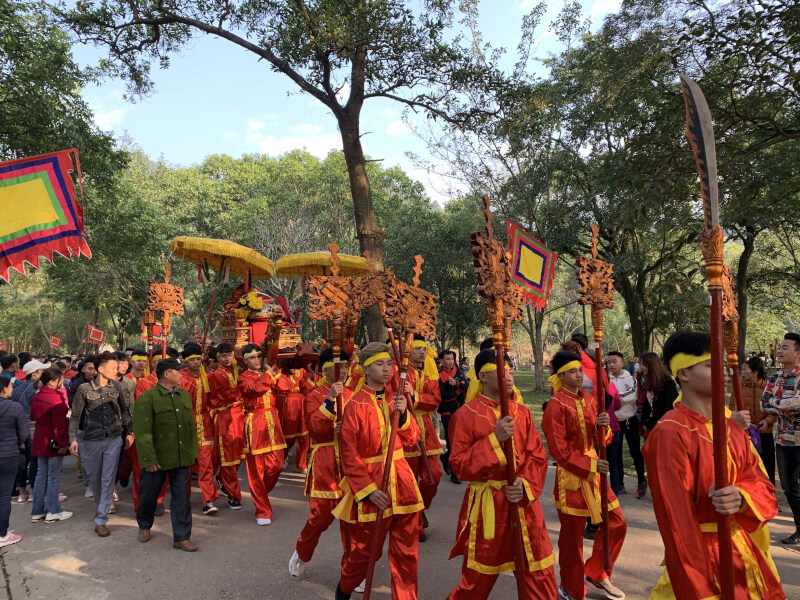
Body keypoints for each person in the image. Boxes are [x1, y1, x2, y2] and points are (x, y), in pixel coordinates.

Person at [644, 332, 785, 599]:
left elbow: (763, 487)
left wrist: (742, 498)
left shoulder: (730, 427)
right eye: (711, 365)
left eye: (723, 364)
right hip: (700, 562)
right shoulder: (670, 433)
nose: (724, 372)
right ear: (683, 374)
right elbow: (677, 523)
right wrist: (701, 590)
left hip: (743, 554)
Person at [445, 350, 556, 599]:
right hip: (489, 505)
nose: (508, 375)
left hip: (524, 502)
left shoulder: (522, 413)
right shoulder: (466, 415)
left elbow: (537, 456)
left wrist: (525, 484)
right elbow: (459, 466)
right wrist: (494, 440)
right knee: (476, 582)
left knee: (540, 572)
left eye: (509, 370)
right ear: (482, 376)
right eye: (500, 370)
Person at [333, 342, 423, 600]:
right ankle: (345, 589)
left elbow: (412, 438)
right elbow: (349, 455)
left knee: (407, 552)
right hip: (374, 486)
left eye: (388, 364)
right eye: (379, 364)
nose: (386, 369)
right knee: (366, 551)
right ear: (366, 369)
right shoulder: (355, 405)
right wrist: (368, 490)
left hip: (403, 484)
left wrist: (403, 417)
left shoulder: (397, 399)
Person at [541, 350, 627, 600]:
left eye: (580, 370)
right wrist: (591, 465)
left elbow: (603, 439)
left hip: (595, 473)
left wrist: (603, 426)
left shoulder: (589, 399)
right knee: (572, 538)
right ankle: (570, 587)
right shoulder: (555, 406)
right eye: (572, 371)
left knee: (617, 522)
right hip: (571, 477)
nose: (579, 375)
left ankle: (597, 571)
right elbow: (559, 451)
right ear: (560, 376)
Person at [289, 348, 353, 578]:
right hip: (325, 460)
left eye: (346, 366)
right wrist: (331, 401)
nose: (343, 371)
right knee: (321, 517)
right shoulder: (315, 395)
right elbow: (315, 428)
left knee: (352, 520)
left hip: (351, 461)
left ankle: (352, 570)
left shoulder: (354, 393)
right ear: (326, 370)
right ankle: (302, 552)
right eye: (338, 367)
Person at [134, 357, 199, 551]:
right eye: (178, 371)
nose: (182, 374)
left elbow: (189, 427)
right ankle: (144, 525)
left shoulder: (183, 395)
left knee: (182, 499)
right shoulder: (148, 398)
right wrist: (149, 459)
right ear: (166, 374)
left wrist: (191, 452)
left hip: (181, 456)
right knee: (148, 496)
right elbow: (143, 431)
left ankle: (182, 537)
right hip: (158, 459)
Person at [69, 351, 134, 537]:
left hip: (113, 438)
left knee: (108, 479)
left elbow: (125, 410)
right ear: (100, 369)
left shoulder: (118, 387)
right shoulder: (84, 389)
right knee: (95, 479)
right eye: (112, 367)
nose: (116, 370)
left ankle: (101, 518)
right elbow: (75, 416)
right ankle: (101, 507)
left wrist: (130, 432)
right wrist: (73, 438)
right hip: (90, 440)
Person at [238, 343, 286, 525]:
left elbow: (286, 387)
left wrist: (273, 373)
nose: (257, 360)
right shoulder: (243, 378)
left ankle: (260, 494)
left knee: (277, 465)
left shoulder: (268, 373)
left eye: (259, 356)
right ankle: (262, 510)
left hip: (272, 421)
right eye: (252, 357)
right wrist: (268, 374)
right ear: (245, 361)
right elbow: (255, 389)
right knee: (256, 470)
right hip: (255, 423)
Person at [400, 338, 443, 542]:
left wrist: (415, 396)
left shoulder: (429, 375)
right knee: (408, 479)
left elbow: (436, 400)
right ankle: (415, 521)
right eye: (417, 348)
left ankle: (420, 509)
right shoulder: (401, 372)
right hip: (405, 428)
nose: (422, 352)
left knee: (433, 475)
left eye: (424, 349)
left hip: (426, 428)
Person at [761, 332, 800, 544]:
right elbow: (763, 403)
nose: (780, 350)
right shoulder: (775, 377)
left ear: (798, 353)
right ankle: (799, 528)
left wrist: (777, 405)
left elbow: (797, 404)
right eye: (780, 347)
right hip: (783, 439)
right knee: (788, 486)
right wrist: (784, 406)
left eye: (785, 347)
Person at [29, 367, 72, 524]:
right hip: (53, 440)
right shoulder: (57, 399)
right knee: (53, 476)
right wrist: (62, 444)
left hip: (40, 438)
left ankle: (37, 511)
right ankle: (54, 510)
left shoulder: (36, 397)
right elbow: (59, 425)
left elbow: (33, 416)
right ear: (53, 382)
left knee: (41, 475)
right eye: (61, 379)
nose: (62, 382)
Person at [181, 343, 219, 515]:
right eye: (192, 360)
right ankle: (183, 498)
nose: (196, 362)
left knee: (206, 464)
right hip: (185, 424)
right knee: (186, 465)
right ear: (186, 361)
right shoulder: (181, 379)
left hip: (204, 424)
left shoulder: (207, 377)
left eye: (198, 359)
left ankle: (208, 500)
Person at [208, 342, 245, 510]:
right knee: (229, 457)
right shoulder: (217, 375)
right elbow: (230, 395)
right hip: (225, 418)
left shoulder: (234, 371)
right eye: (223, 356)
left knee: (240, 455)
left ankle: (222, 479)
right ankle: (233, 495)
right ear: (217, 358)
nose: (227, 358)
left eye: (229, 355)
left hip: (238, 417)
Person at [607, 351, 647, 498]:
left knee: (635, 451)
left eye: (614, 361)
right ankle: (619, 483)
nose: (611, 365)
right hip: (614, 421)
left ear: (622, 363)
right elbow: (606, 397)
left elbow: (633, 396)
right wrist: (617, 397)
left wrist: (615, 397)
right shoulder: (606, 379)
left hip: (630, 419)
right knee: (616, 453)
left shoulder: (630, 379)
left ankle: (641, 480)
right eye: (609, 362)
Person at [735, 356, 775, 484]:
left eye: (745, 369)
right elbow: (732, 408)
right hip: (745, 434)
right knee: (748, 469)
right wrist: (743, 421)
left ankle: (769, 493)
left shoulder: (768, 388)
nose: (742, 372)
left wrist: (767, 420)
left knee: (767, 469)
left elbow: (774, 410)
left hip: (765, 433)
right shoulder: (739, 387)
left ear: (755, 372)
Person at [0, 375, 29, 547]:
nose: (12, 388)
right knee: (4, 497)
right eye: (10, 386)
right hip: (8, 455)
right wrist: (14, 444)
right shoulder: (14, 407)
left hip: (8, 452)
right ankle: (2, 534)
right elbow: (24, 434)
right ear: (4, 388)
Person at [275, 367, 314, 473]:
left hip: (302, 404)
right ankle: (282, 458)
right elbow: (279, 387)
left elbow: (308, 388)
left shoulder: (303, 370)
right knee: (288, 436)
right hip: (288, 404)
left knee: (304, 436)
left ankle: (301, 464)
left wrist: (311, 377)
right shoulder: (280, 370)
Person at [437, 349, 467, 484]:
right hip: (446, 412)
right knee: (452, 441)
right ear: (441, 361)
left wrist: (458, 384)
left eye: (452, 359)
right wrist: (457, 391)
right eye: (447, 359)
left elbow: (467, 386)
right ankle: (455, 473)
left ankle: (446, 458)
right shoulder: (438, 375)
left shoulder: (458, 371)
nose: (450, 362)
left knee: (460, 440)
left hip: (460, 411)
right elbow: (442, 396)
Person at [637, 352, 679, 436]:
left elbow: (668, 408)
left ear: (652, 365)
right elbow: (647, 405)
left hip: (664, 427)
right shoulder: (648, 382)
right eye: (641, 365)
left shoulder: (667, 383)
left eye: (644, 365)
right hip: (650, 427)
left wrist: (650, 423)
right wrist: (644, 421)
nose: (642, 367)